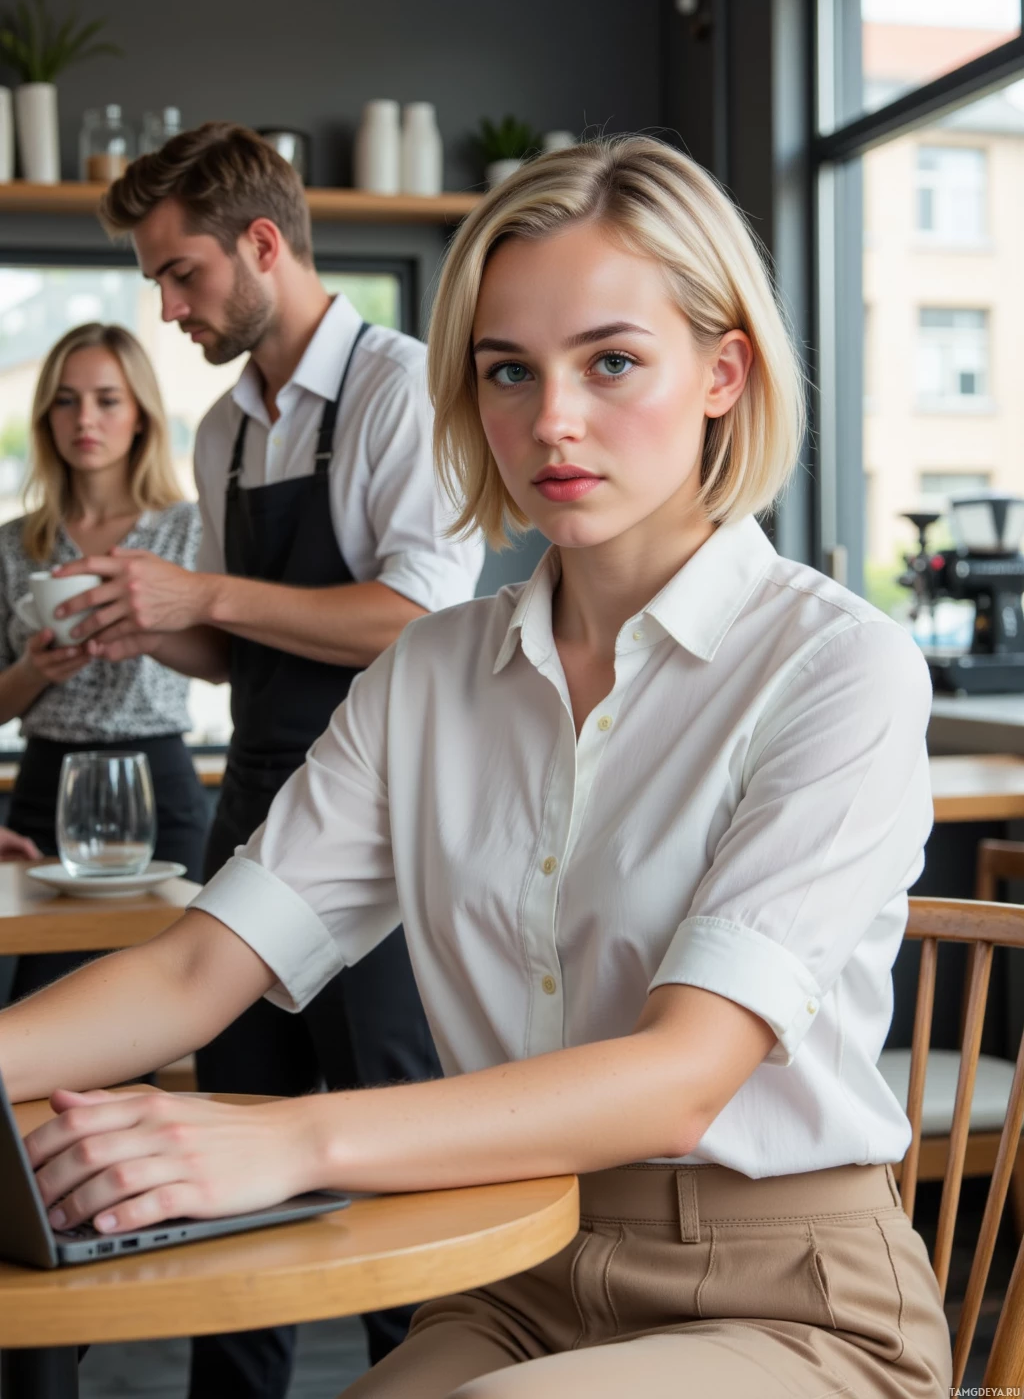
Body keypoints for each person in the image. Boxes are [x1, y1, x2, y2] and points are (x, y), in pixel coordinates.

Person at [0, 137, 951, 1399]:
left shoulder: (838, 667)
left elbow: (679, 1081)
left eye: (612, 362)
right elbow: (194, 968)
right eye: (509, 371)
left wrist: (282, 1140)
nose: (550, 419)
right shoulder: (430, 677)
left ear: (723, 373)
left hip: (791, 1297)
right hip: (515, 1276)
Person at [44, 123, 483, 1390]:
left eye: (179, 274)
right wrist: (143, 623)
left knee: (386, 1158)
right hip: (253, 799)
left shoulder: (402, 388)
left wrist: (207, 597)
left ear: (262, 244)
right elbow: (250, 653)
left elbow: (419, 623)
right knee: (225, 1146)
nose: (166, 306)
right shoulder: (233, 424)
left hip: (387, 825)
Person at [0, 322, 207, 1004]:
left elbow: (225, 665)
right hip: (43, 788)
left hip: (158, 780)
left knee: (150, 1007)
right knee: (42, 1004)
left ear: (142, 415)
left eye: (107, 399)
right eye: (65, 400)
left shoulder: (189, 529)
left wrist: (143, 628)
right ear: (45, 418)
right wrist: (34, 672)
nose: (85, 418)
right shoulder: (14, 542)